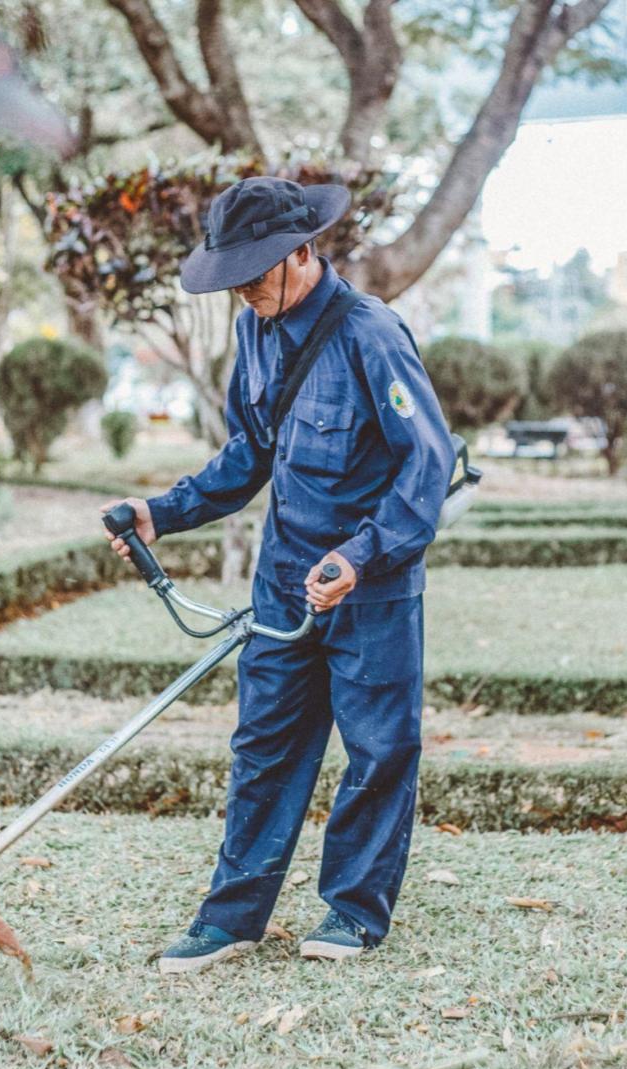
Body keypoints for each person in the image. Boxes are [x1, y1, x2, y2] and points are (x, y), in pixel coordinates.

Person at [100, 176, 457, 973]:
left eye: (256, 273)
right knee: (263, 748)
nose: (247, 291)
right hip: (284, 581)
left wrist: (360, 558)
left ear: (303, 253)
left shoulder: (370, 333)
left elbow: (425, 465)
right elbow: (248, 453)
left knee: (376, 751)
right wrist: (164, 510)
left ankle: (353, 913)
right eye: (234, 276)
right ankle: (231, 918)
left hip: (370, 585)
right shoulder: (253, 332)